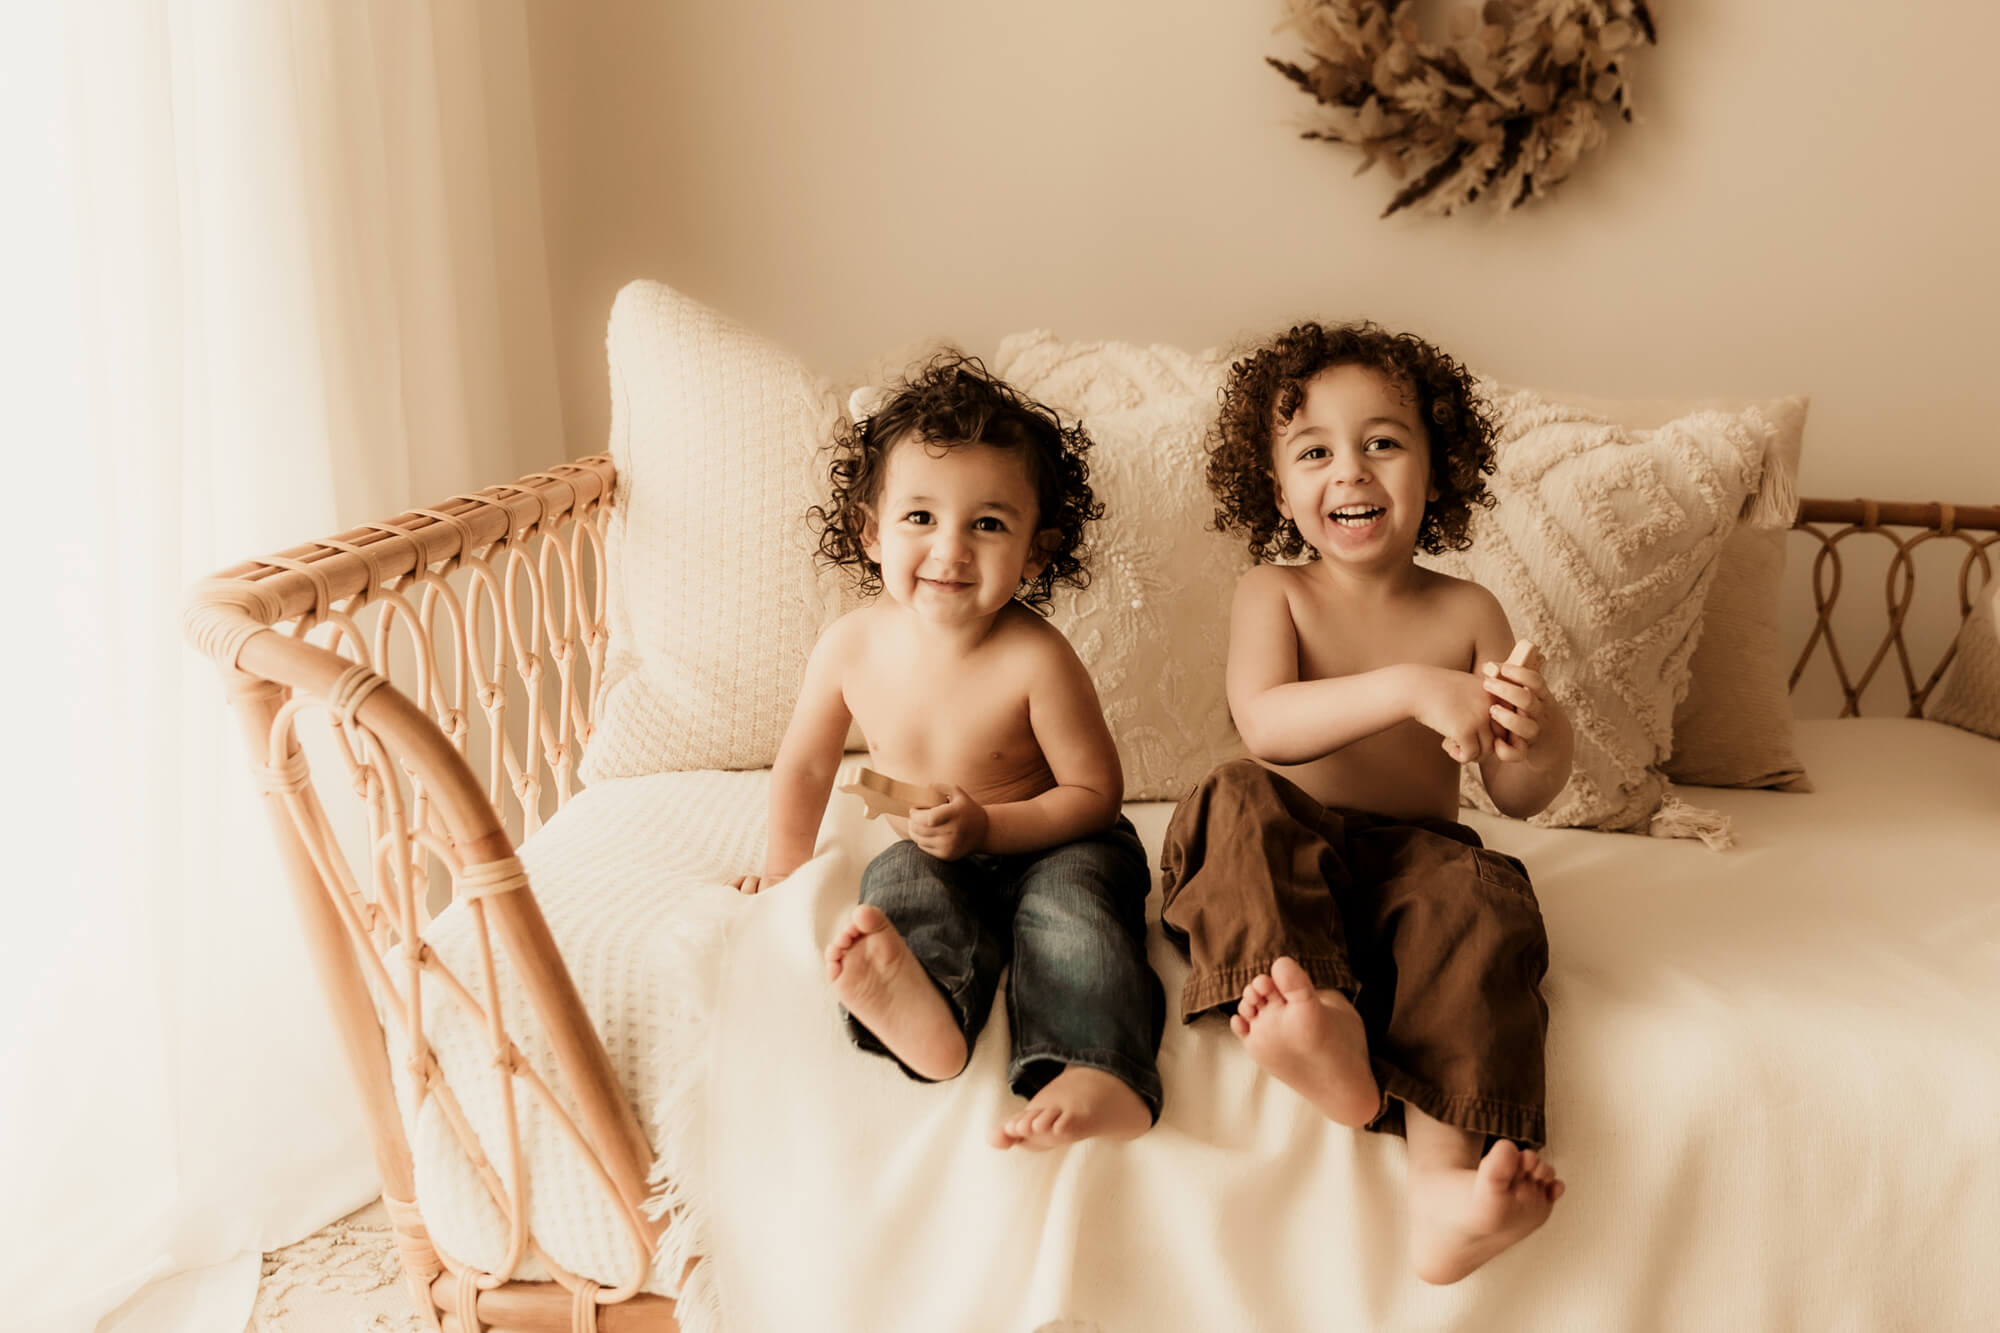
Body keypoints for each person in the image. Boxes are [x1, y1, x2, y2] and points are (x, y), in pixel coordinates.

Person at [1162, 320, 1572, 1283]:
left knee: (1480, 896)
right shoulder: (1276, 592)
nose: (1350, 471)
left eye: (1383, 442)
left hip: (1414, 859)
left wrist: (1538, 735)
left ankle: (1442, 1190)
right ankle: (1317, 1014)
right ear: (1279, 488)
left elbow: (1513, 792)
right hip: (1287, 852)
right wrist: (1411, 686)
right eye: (1316, 452)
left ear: (1438, 468)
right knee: (1232, 794)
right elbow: (1264, 723)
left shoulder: (1467, 608)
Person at [732, 352, 1164, 1151]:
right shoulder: (849, 645)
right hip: (932, 842)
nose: (951, 549)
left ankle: (1095, 1063)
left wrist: (992, 830)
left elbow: (1097, 792)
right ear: (871, 532)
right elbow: (804, 766)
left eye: (988, 524)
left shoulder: (1036, 656)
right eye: (920, 518)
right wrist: (785, 866)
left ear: (1035, 552)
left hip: (1055, 842)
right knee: (897, 885)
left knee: (1071, 917)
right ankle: (926, 1016)